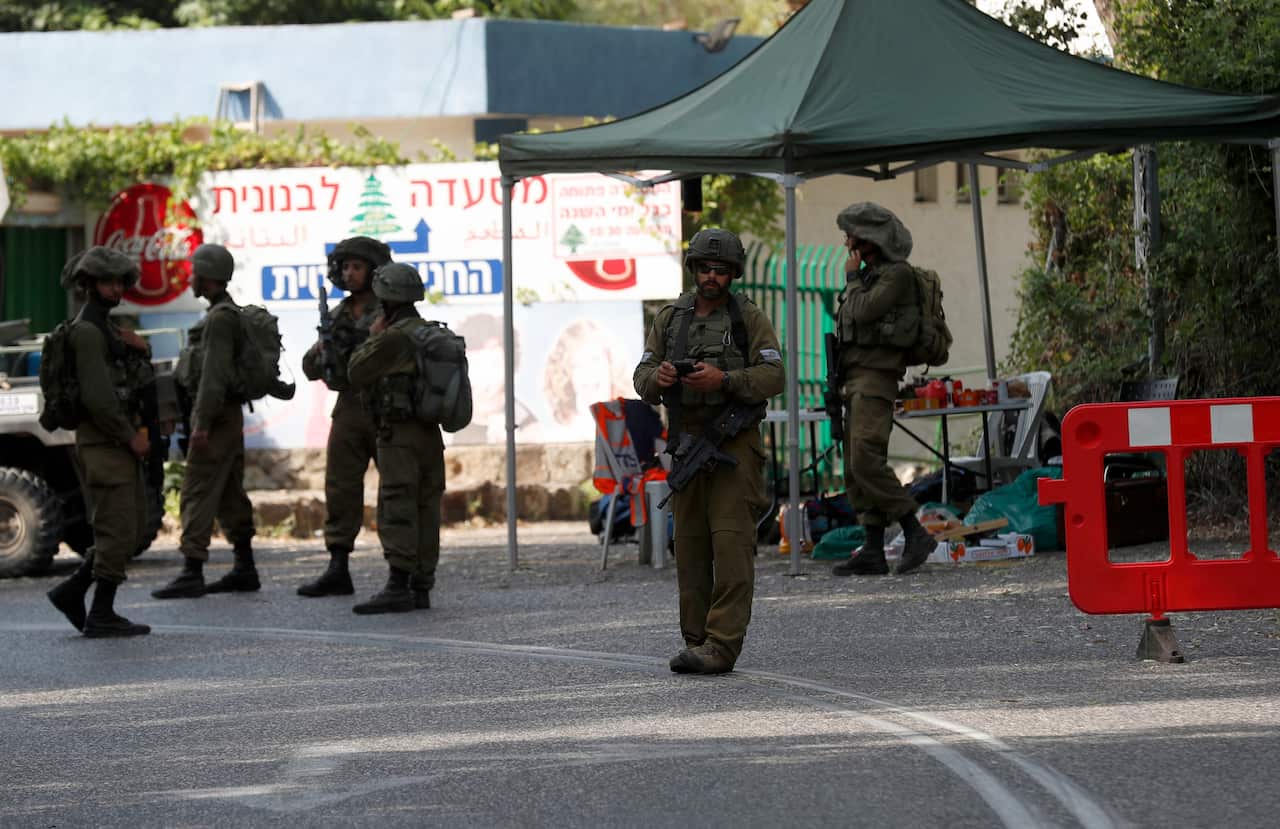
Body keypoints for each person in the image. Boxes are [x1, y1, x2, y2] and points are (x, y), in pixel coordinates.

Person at [633, 228, 784, 675]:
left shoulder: (748, 319)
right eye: (704, 268)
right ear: (693, 269)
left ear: (733, 274)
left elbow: (775, 375)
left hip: (734, 442)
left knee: (732, 545)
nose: (712, 277)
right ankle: (695, 639)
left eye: (720, 270)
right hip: (686, 445)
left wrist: (725, 381)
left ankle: (722, 644)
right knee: (691, 547)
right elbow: (641, 375)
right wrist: (657, 379)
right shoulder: (670, 319)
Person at [45, 247, 153, 637]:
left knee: (126, 528)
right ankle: (100, 612)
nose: (115, 289)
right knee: (116, 529)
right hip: (104, 443)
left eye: (120, 282)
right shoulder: (88, 333)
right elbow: (99, 398)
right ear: (88, 285)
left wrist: (141, 347)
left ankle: (73, 593)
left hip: (114, 444)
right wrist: (130, 437)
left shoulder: (106, 330)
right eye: (107, 282)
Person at [829, 202, 936, 577]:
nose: (847, 242)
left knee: (865, 460)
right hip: (855, 377)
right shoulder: (871, 274)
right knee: (854, 470)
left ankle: (914, 530)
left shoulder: (895, 276)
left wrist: (852, 279)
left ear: (870, 240)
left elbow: (863, 311)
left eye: (852, 236)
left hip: (876, 378)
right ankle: (873, 547)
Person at [152, 244, 259, 599]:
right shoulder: (223, 315)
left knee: (196, 490)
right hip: (224, 416)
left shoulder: (219, 320)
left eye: (195, 273)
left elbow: (213, 378)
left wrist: (200, 425)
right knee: (228, 490)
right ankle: (245, 567)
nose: (190, 279)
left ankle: (191, 570)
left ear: (208, 277)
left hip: (215, 417)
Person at [346, 263, 444, 614]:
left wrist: (373, 335)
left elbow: (356, 371)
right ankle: (421, 586)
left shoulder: (393, 337)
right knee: (426, 507)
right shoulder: (430, 332)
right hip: (430, 435)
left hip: (398, 435)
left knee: (398, 503)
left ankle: (398, 585)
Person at [296, 236, 391, 597]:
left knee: (395, 488)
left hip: (384, 407)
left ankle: (401, 568)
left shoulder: (389, 310)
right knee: (340, 487)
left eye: (358, 267)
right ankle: (338, 565)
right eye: (346, 267)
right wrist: (323, 350)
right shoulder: (336, 315)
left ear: (373, 270)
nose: (350, 274)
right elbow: (309, 366)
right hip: (349, 409)